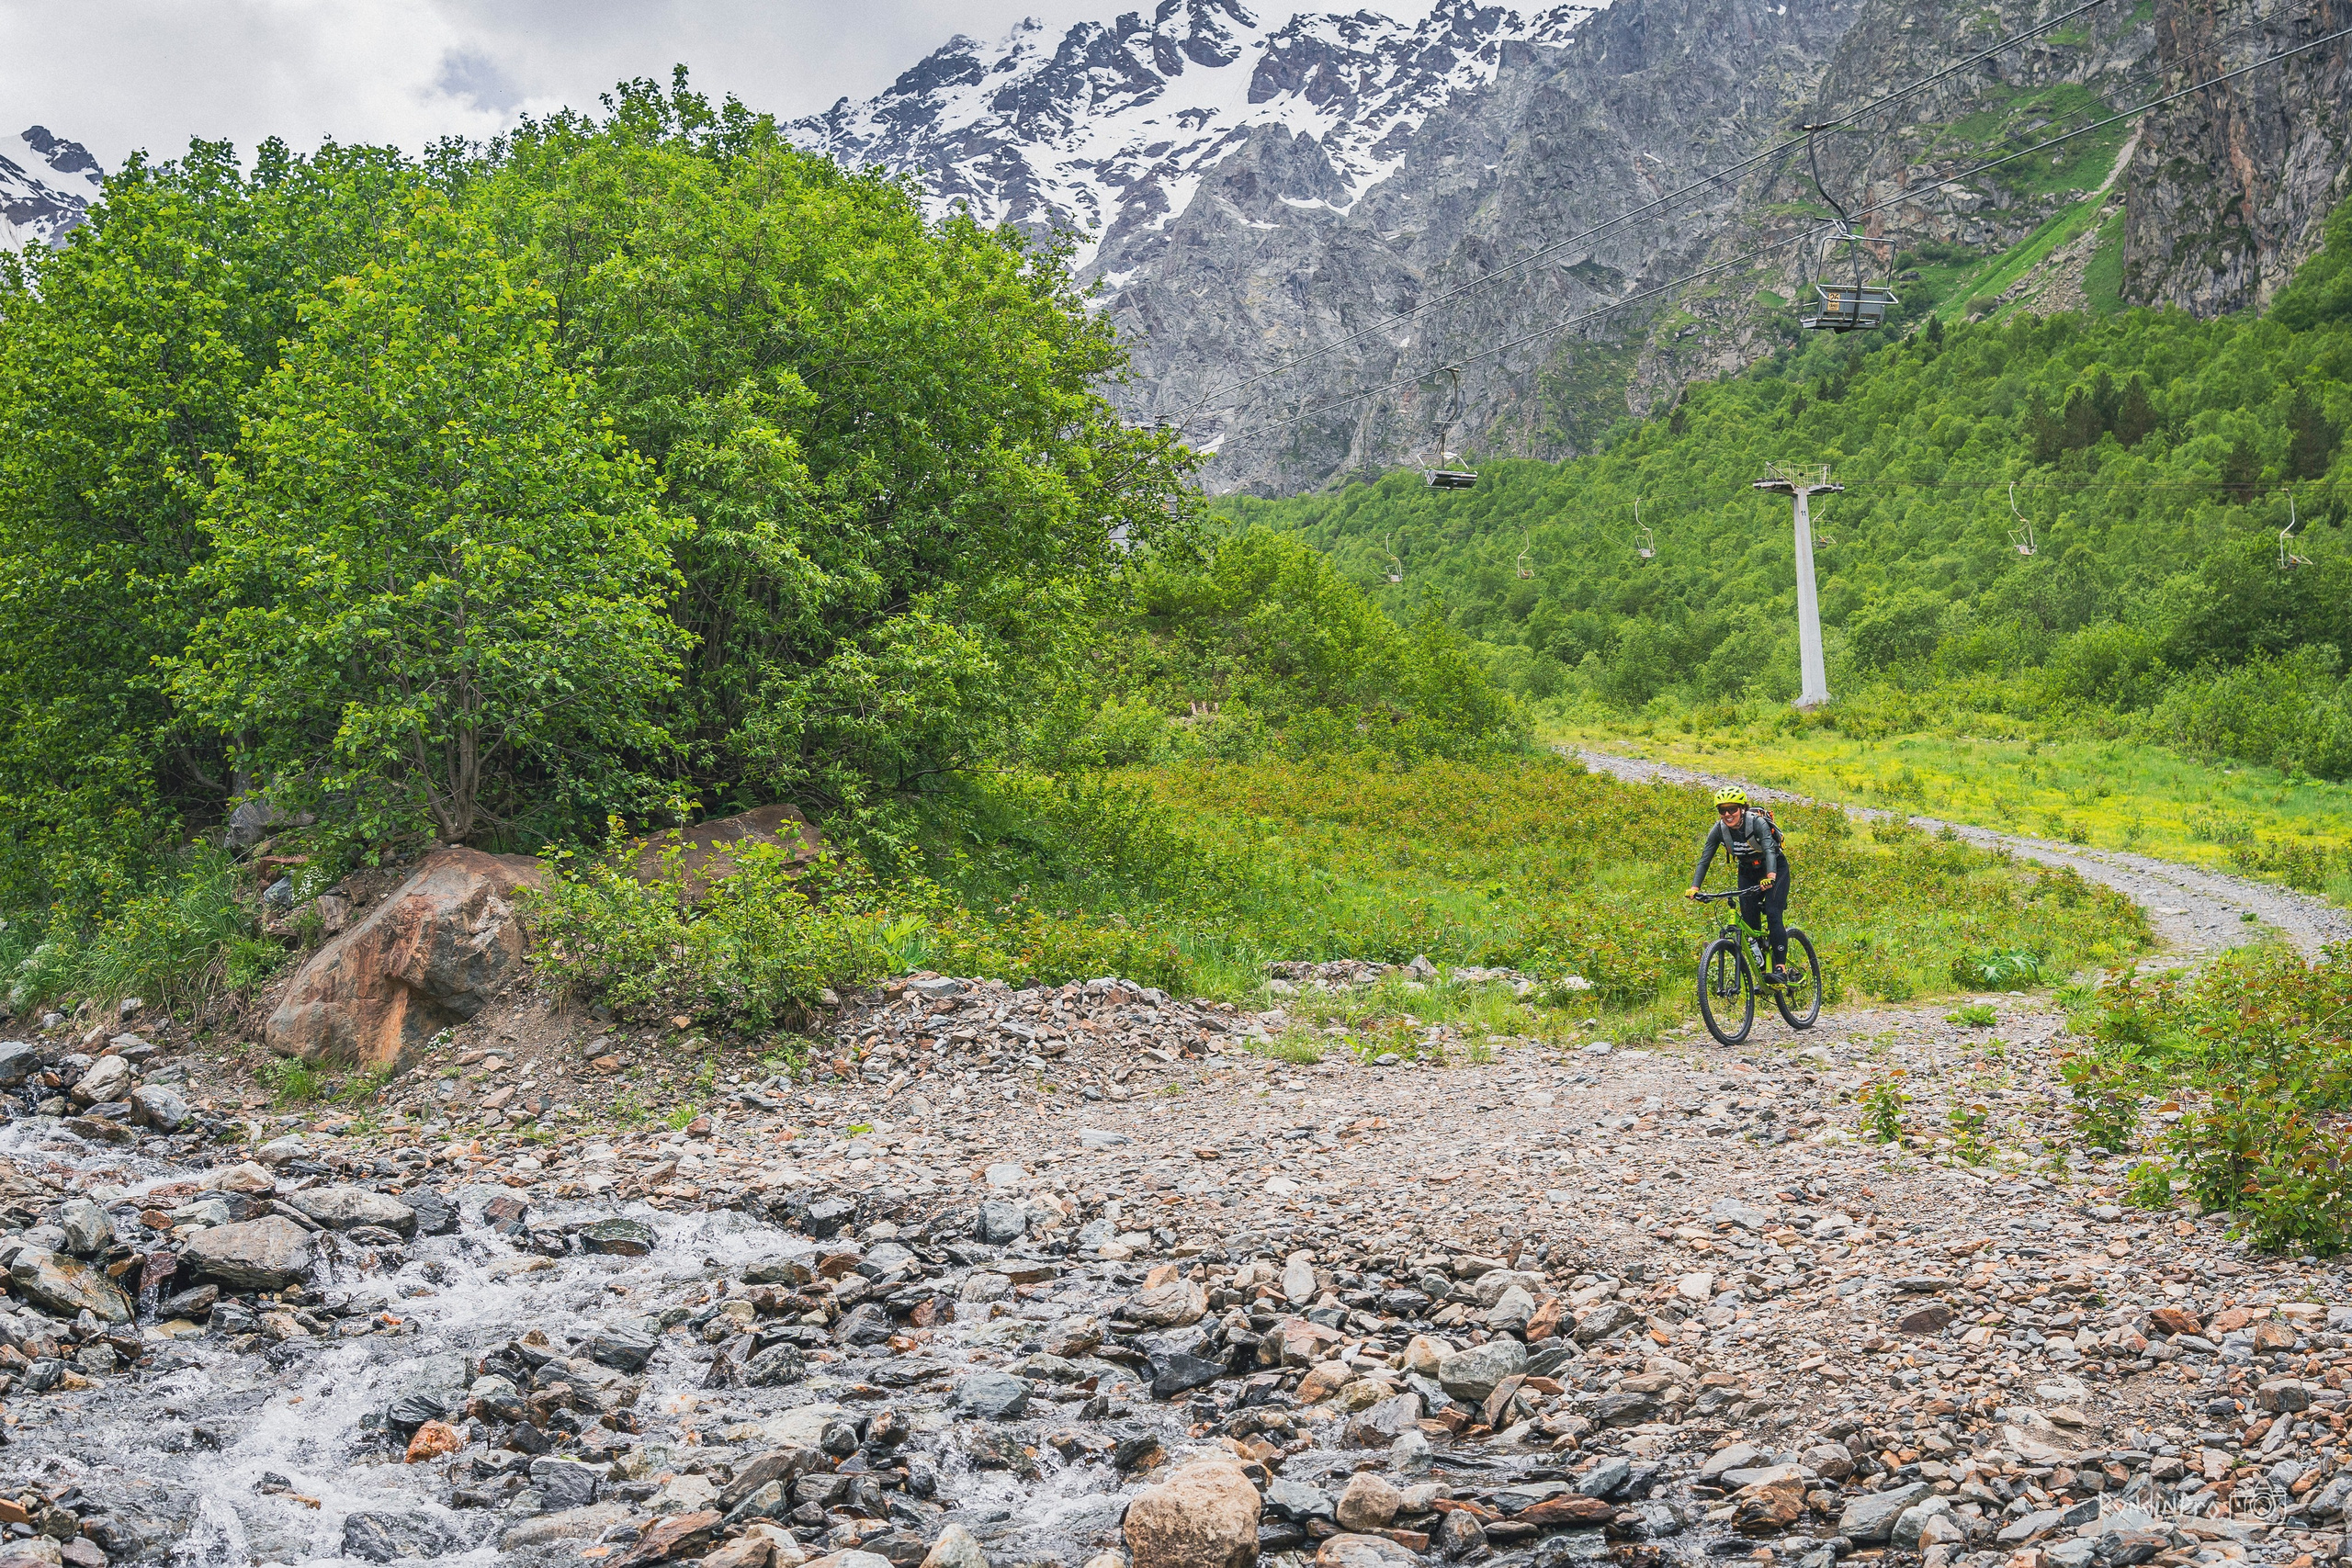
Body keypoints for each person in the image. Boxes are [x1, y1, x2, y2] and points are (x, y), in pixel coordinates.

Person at [1685, 784, 1792, 981]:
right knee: (1749, 922)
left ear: (1742, 808)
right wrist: (1694, 887)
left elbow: (1769, 850)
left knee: (1773, 913)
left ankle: (1780, 969)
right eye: (1722, 810)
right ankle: (1763, 973)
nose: (1727, 814)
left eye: (1732, 809)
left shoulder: (1756, 823)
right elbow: (1704, 859)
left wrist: (1770, 876)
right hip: (1747, 872)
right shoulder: (1719, 830)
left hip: (1775, 868)